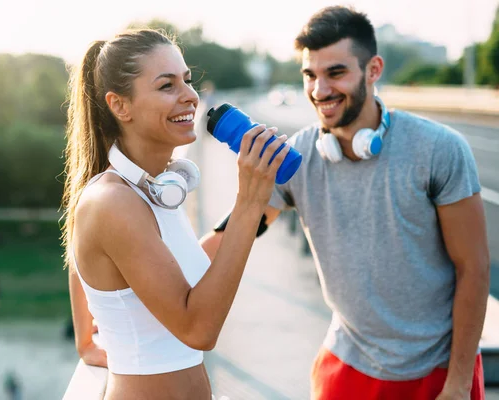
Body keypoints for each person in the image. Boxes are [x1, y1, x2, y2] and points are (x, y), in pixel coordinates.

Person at [200, 6, 490, 400]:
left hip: (439, 372)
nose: (319, 90)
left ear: (373, 70)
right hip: (347, 368)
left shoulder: (439, 149)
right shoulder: (295, 158)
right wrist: (141, 289)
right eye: (310, 75)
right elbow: (230, 236)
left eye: (336, 73)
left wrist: (456, 386)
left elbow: (473, 269)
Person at [61, 28, 290, 400]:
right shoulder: (112, 201)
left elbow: (182, 267)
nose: (191, 97)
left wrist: (268, 203)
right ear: (120, 106)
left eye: (187, 80)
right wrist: (248, 201)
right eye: (167, 86)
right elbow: (199, 330)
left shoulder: (155, 189)